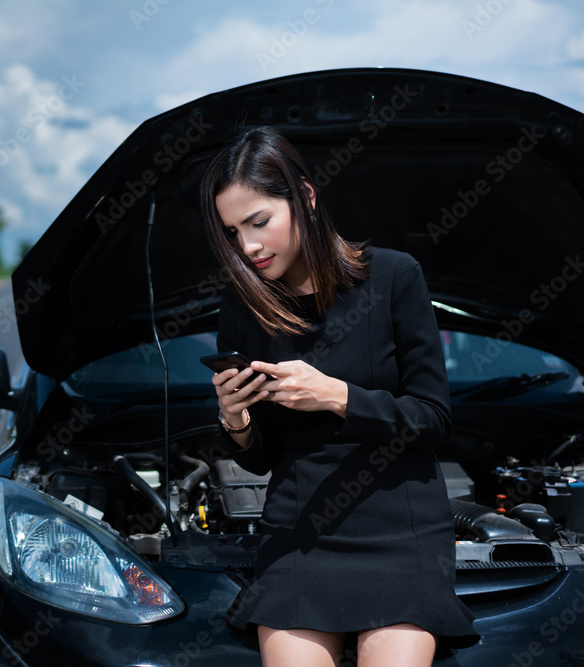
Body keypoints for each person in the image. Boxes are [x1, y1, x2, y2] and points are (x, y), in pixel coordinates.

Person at [200, 126, 480, 666]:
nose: (249, 246)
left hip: (402, 526)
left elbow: (435, 420)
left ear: (305, 197)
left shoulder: (395, 276)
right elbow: (261, 458)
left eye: (259, 222)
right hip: (300, 532)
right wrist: (235, 420)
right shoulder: (241, 305)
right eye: (233, 232)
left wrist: (339, 397)